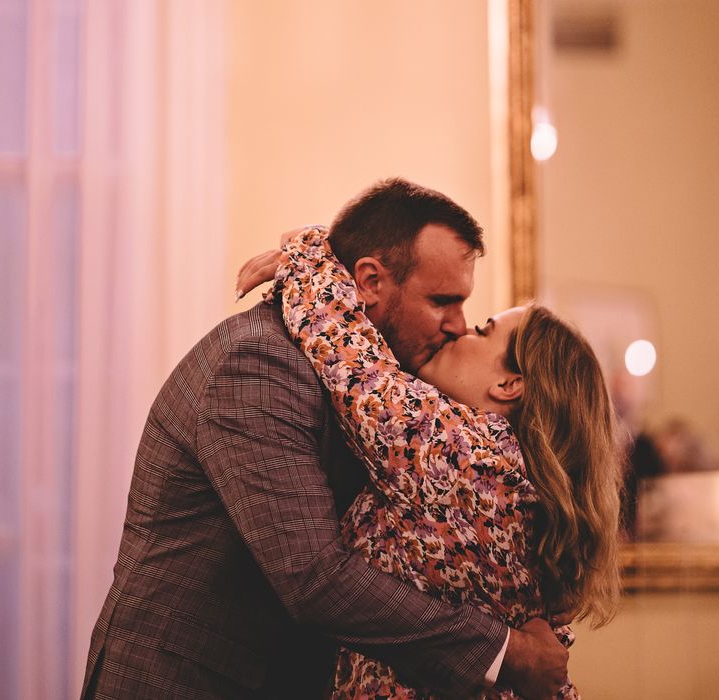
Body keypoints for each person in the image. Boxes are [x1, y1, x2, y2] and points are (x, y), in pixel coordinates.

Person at [81, 179, 569, 700]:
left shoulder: (368, 384)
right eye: (442, 300)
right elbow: (313, 578)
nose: (458, 325)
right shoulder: (259, 364)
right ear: (370, 281)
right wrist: (503, 651)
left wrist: (309, 256)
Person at [245, 224, 622, 698]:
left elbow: (342, 350)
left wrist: (312, 248)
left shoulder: (466, 454)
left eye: (484, 330)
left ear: (509, 385)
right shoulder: (516, 482)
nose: (462, 328)